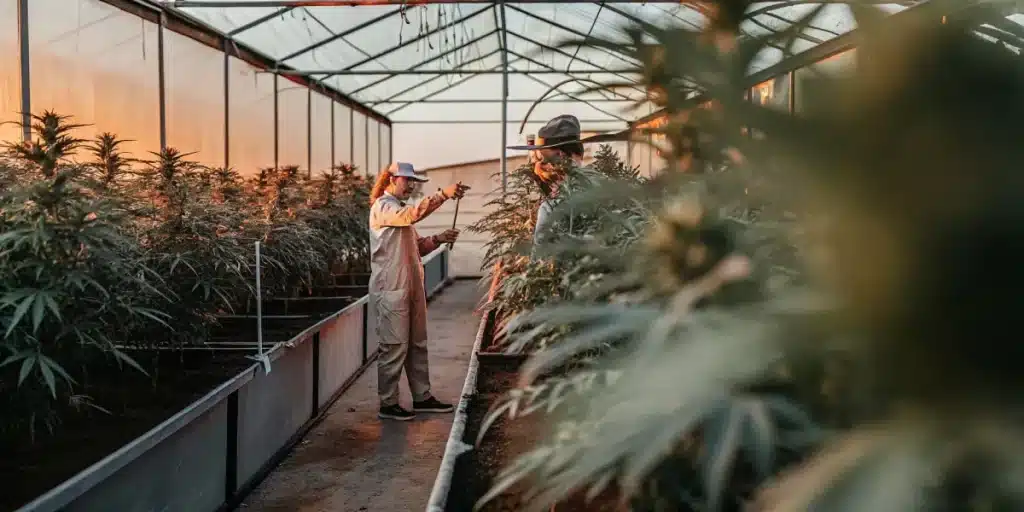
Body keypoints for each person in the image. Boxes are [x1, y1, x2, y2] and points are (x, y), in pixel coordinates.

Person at [368, 162, 469, 421]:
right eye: (407, 180)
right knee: (393, 345)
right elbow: (411, 215)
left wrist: (438, 239)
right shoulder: (384, 207)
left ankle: (422, 397)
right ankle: (388, 403)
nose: (411, 185)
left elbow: (417, 248)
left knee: (417, 343)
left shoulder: (398, 209)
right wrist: (442, 195)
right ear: (391, 179)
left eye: (414, 181)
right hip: (391, 287)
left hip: (410, 285)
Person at [507, 114, 588, 246]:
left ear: (560, 154)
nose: (543, 165)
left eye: (545, 158)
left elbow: (541, 255)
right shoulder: (604, 187)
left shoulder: (551, 208)